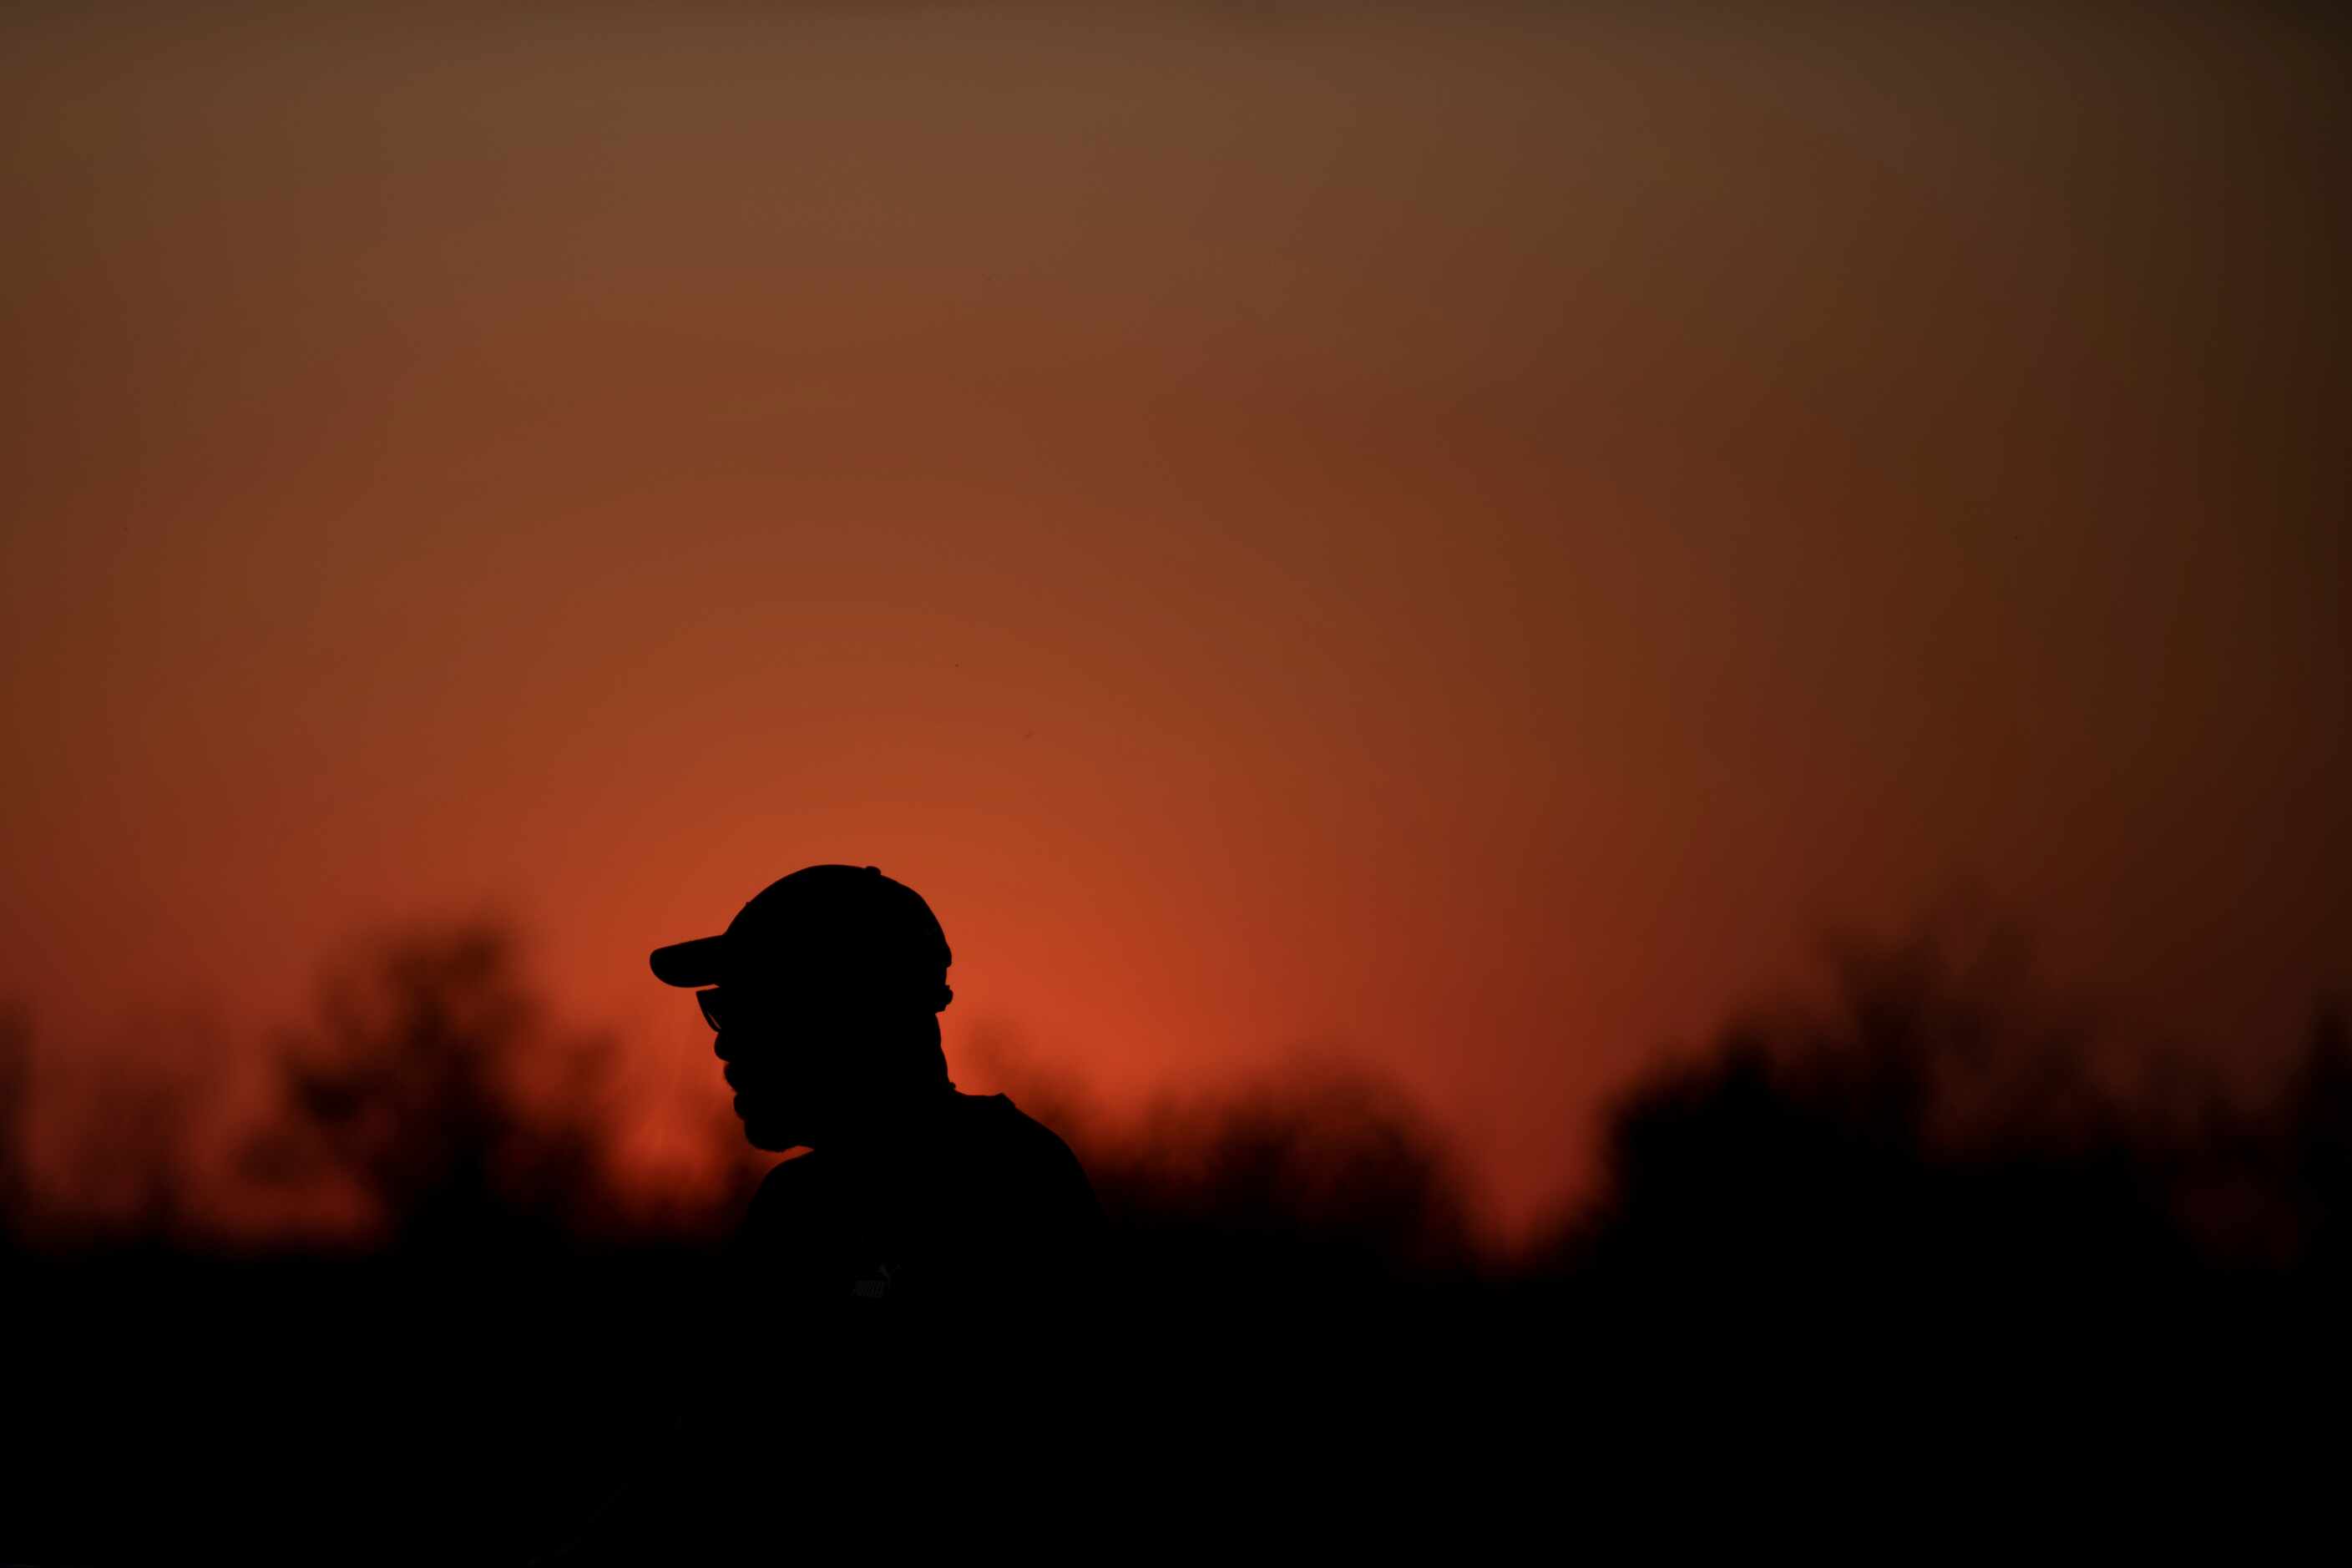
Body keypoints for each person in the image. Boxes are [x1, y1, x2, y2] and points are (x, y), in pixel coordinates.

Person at [648, 862, 1106, 1321]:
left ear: (850, 1012)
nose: (725, 1043)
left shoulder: (1012, 1185)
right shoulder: (792, 1209)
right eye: (723, 1009)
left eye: (754, 1010)